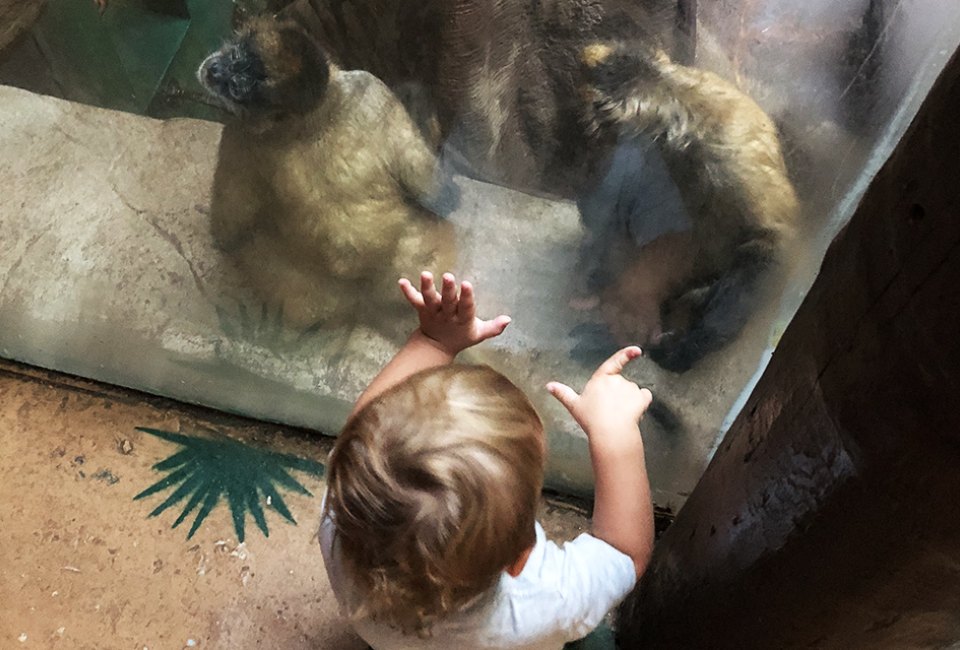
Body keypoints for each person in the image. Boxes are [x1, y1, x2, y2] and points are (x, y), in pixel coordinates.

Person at [319, 271, 655, 649]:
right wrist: (615, 436)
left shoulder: (343, 519)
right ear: (519, 561)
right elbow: (625, 553)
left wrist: (432, 341)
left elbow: (362, 433)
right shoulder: (545, 603)